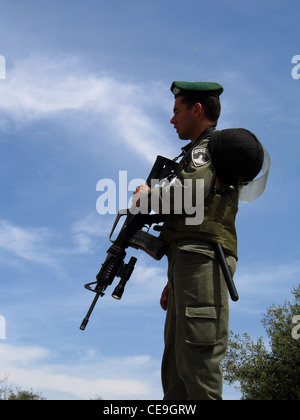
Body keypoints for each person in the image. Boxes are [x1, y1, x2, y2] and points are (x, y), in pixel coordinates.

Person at [133, 81, 239, 400]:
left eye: (177, 111)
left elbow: (188, 196)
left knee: (197, 367)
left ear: (197, 110)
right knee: (176, 371)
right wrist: (176, 274)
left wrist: (147, 197)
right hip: (190, 261)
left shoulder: (205, 149)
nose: (172, 119)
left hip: (203, 259)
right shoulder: (195, 154)